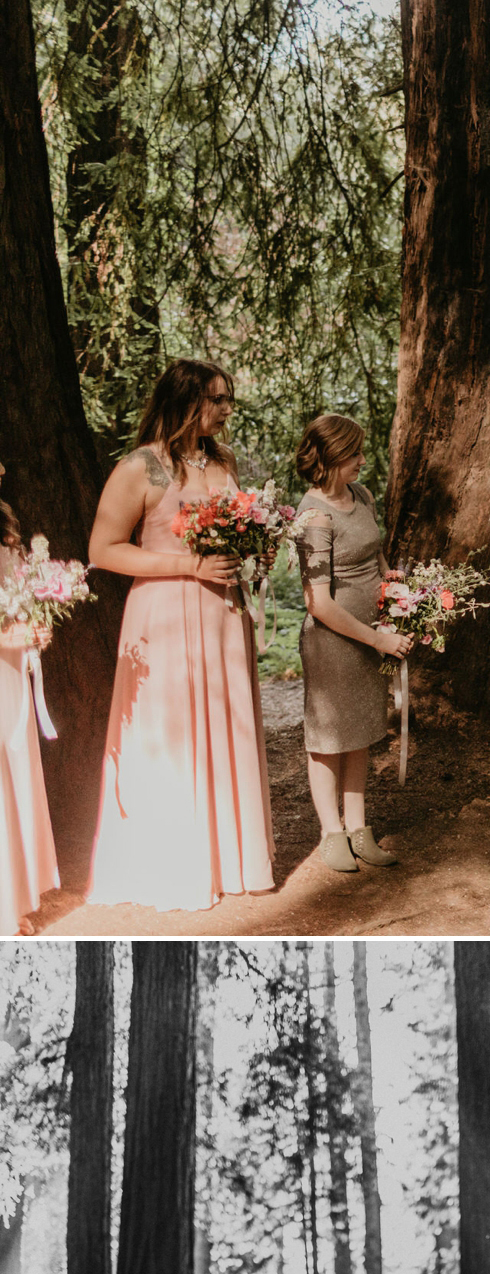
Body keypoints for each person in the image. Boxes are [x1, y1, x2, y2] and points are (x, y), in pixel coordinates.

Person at [86, 360, 275, 913]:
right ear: (185, 400)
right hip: (164, 612)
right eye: (216, 400)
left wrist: (253, 550)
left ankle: (232, 860)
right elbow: (103, 550)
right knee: (172, 734)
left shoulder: (223, 462)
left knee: (222, 724)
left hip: (222, 614)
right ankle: (170, 860)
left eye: (227, 400)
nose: (225, 410)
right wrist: (187, 566)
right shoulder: (140, 468)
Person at [290, 416, 408, 874]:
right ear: (329, 457)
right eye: (354, 454)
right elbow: (318, 602)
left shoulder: (361, 496)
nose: (363, 460)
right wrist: (377, 638)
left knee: (361, 731)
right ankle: (331, 832)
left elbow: (375, 552)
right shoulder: (315, 517)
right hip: (334, 642)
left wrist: (394, 590)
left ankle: (359, 829)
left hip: (373, 632)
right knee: (328, 739)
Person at [0, 487, 60, 937]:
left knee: (16, 768)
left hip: (11, 670)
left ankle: (15, 894)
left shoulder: (6, 527)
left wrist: (36, 626)